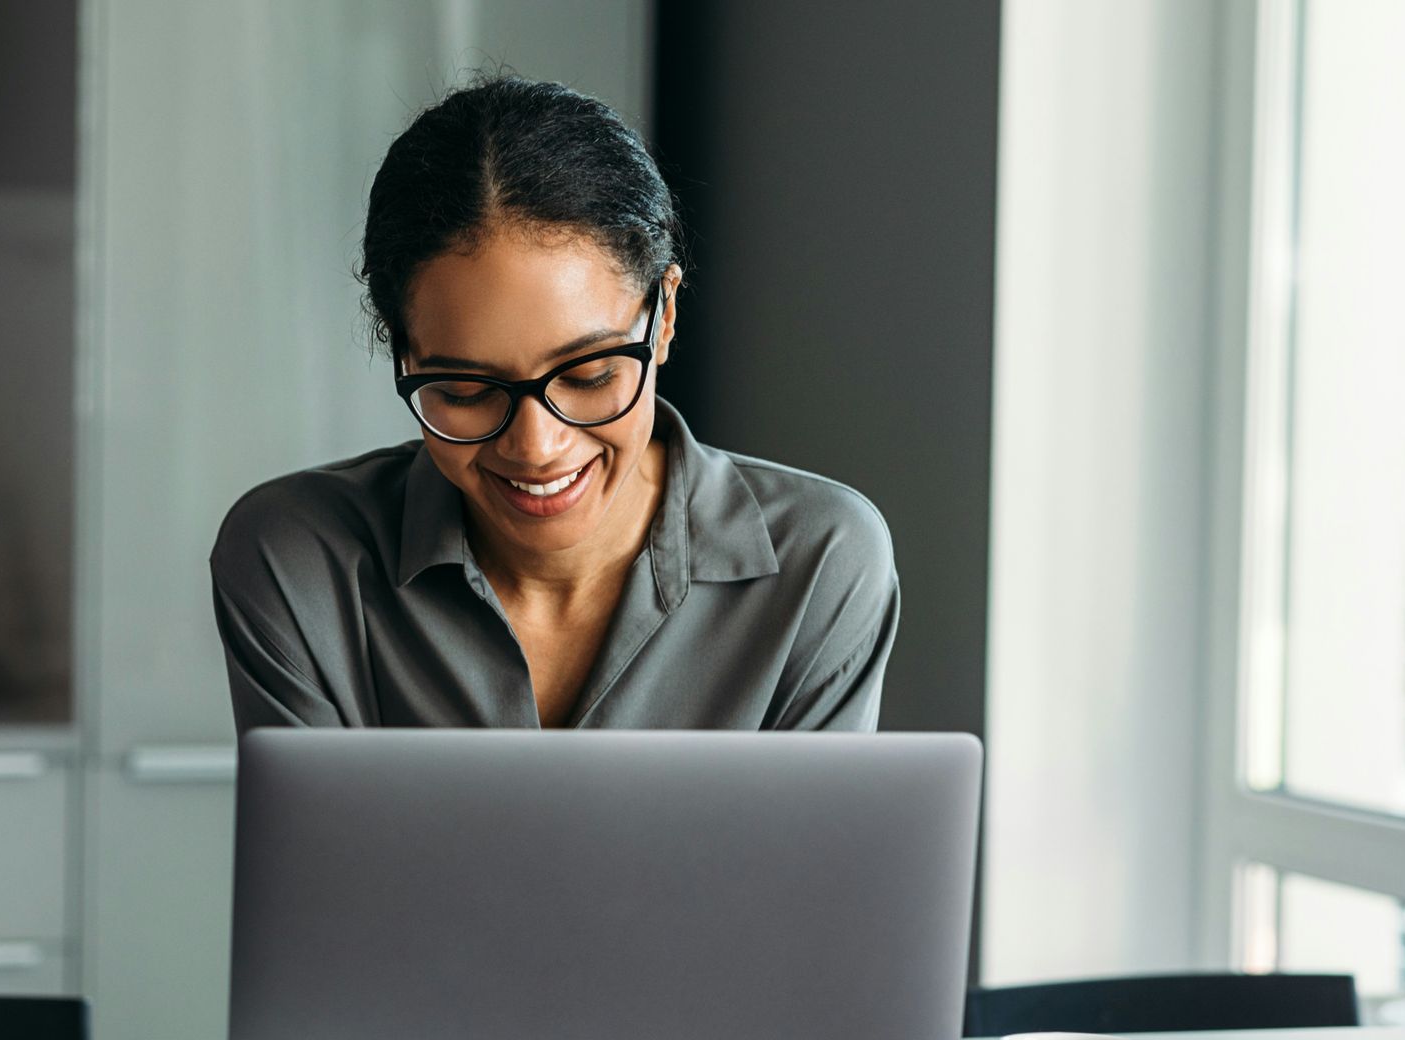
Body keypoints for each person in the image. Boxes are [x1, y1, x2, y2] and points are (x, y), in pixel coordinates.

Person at [210, 75, 898, 734]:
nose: (537, 447)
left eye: (591, 374)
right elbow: (323, 857)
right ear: (405, 355)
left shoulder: (820, 560)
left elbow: (810, 860)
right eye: (465, 391)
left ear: (663, 318)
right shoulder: (298, 559)